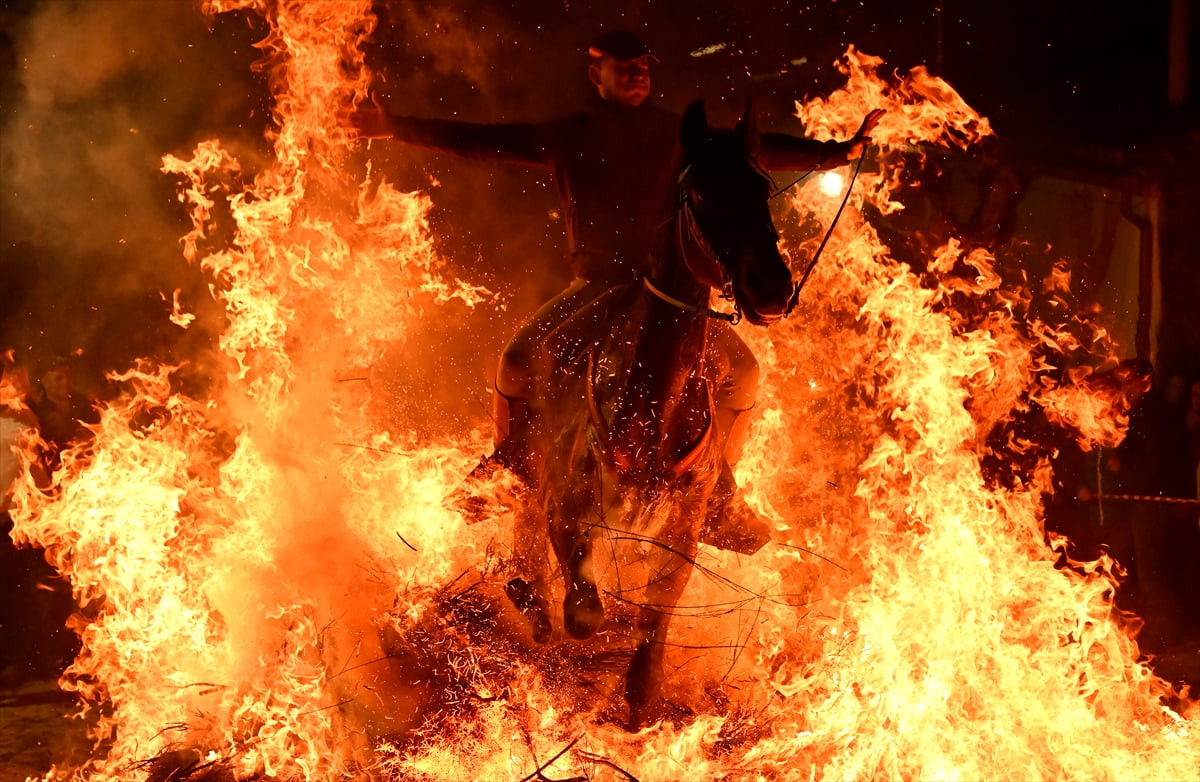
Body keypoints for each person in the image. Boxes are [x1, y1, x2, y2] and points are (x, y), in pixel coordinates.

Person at [346, 30, 881, 544]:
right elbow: (486, 142)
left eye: (644, 66)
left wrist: (835, 153)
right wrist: (397, 127)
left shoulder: (679, 138)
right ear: (594, 73)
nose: (637, 74)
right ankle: (510, 479)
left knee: (743, 371)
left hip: (670, 293)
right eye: (623, 66)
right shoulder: (571, 133)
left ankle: (717, 493)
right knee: (516, 363)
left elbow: (756, 154)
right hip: (600, 286)